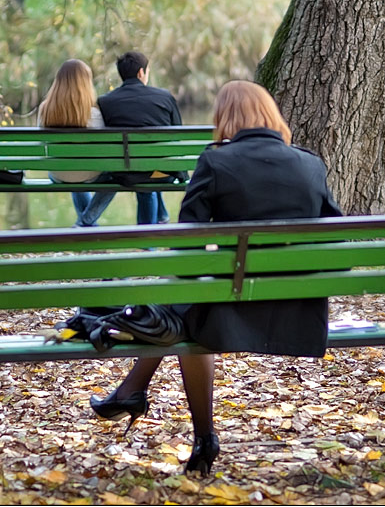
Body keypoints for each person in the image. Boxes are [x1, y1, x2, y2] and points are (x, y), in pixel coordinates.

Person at [88, 80, 343, 475]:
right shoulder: (310, 163)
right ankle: (134, 393)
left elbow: (186, 246)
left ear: (225, 119)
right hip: (298, 310)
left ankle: (189, 425)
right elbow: (337, 247)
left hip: (231, 311)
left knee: (181, 318)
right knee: (186, 311)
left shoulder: (215, 161)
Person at [97, 51, 186, 224]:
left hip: (122, 171)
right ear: (141, 73)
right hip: (161, 173)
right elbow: (177, 136)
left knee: (139, 165)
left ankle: (160, 220)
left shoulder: (105, 101)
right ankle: (152, 234)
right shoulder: (164, 97)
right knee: (149, 167)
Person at [38, 59, 115, 227]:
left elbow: (42, 143)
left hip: (58, 174)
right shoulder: (94, 114)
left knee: (72, 165)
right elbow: (103, 149)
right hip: (88, 174)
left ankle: (88, 228)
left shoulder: (45, 109)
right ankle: (85, 222)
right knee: (115, 177)